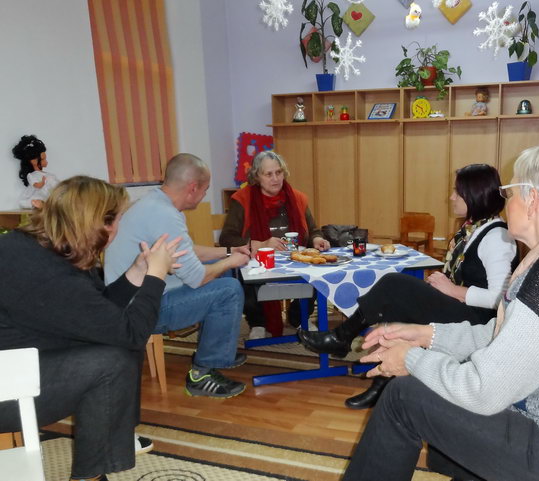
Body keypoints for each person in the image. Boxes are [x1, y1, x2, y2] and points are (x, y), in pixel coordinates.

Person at [342, 142, 539, 481]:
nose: (505, 203)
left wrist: (409, 359)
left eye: (510, 192)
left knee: (404, 397)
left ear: (533, 201)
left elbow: (482, 392)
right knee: (445, 428)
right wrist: (426, 335)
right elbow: (509, 337)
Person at [0, 176, 180, 481]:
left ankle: (110, 445)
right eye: (119, 219)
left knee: (112, 348)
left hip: (17, 365)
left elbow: (95, 314)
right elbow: (133, 334)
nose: (120, 227)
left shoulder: (38, 248)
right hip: (9, 390)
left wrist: (137, 273)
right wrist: (156, 277)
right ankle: (91, 474)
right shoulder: (51, 276)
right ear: (101, 224)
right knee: (115, 360)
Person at [298, 164, 517, 410]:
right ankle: (380, 382)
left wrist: (453, 290)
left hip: (477, 324)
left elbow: (501, 298)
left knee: (394, 284)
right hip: (463, 308)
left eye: (457, 192)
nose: (451, 197)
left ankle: (342, 339)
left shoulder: (497, 237)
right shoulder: (476, 228)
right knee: (396, 305)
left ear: (475, 195)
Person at [105, 153, 251, 399]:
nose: (204, 195)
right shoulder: (165, 215)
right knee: (228, 290)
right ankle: (201, 375)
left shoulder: (154, 203)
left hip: (133, 296)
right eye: (205, 190)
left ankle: (220, 347)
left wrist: (227, 252)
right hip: (139, 311)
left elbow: (186, 252)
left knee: (224, 268)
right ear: (193, 188)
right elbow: (196, 278)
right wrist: (231, 261)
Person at [219, 150, 330, 339]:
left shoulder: (297, 198)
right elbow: (227, 239)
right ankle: (258, 322)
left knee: (320, 268)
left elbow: (313, 230)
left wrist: (318, 239)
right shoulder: (242, 200)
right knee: (244, 268)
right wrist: (262, 244)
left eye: (278, 172)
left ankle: (298, 317)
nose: (275, 178)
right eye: (268, 174)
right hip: (259, 262)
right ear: (257, 176)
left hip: (294, 260)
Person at [12, 134, 60, 209]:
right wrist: (42, 183)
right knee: (28, 201)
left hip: (47, 196)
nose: (46, 162)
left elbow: (57, 189)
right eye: (43, 159)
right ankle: (38, 204)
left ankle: (44, 205)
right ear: (34, 161)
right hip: (37, 195)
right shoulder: (31, 175)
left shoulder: (49, 176)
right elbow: (36, 185)